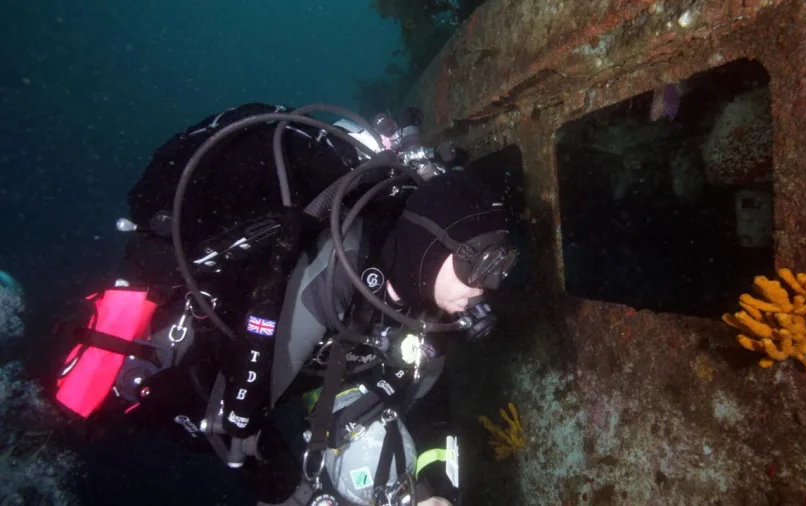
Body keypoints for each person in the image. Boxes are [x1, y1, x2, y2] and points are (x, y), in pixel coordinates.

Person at [51, 102, 518, 506]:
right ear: (427, 252)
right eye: (479, 264)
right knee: (97, 419)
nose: (486, 287)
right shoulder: (338, 270)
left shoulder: (434, 309)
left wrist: (436, 486)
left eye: (502, 266)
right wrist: (300, 494)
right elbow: (234, 421)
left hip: (320, 372)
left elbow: (434, 401)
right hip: (204, 367)